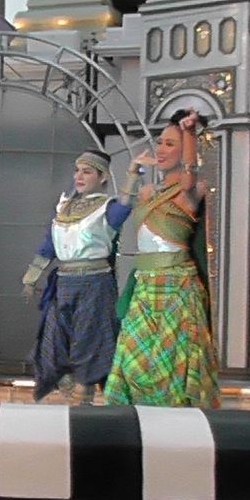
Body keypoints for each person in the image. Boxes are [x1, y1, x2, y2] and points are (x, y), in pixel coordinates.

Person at [104, 109, 221, 408]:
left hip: (177, 287)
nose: (161, 149)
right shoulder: (147, 192)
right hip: (144, 288)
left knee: (171, 370)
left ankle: (172, 430)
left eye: (171, 144)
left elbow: (189, 176)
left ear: (185, 150)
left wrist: (190, 133)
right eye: (160, 142)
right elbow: (120, 210)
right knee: (132, 362)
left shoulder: (192, 190)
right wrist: (133, 170)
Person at [21, 150, 135, 404]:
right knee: (55, 338)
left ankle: (84, 399)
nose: (79, 176)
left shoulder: (108, 207)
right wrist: (32, 276)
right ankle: (67, 384)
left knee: (89, 339)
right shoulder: (64, 206)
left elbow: (125, 206)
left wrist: (133, 174)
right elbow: (50, 243)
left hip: (94, 283)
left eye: (87, 171)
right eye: (77, 171)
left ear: (103, 177)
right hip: (64, 282)